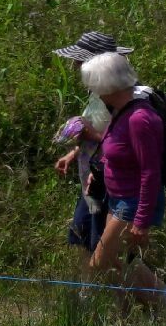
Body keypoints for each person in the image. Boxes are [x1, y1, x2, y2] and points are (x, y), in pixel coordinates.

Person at [80, 51, 166, 321]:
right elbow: (115, 151)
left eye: (94, 85)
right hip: (118, 198)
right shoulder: (120, 112)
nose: (93, 91)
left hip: (132, 202)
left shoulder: (140, 119)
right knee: (119, 261)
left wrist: (142, 221)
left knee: (100, 262)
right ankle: (152, 308)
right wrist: (98, 174)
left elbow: (150, 172)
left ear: (106, 85)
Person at [50, 31, 140, 265]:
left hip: (111, 180)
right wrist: (73, 153)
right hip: (93, 176)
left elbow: (120, 144)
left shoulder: (121, 100)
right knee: (84, 237)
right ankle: (90, 284)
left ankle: (149, 288)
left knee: (103, 249)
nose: (74, 65)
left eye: (79, 61)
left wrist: (90, 134)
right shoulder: (98, 92)